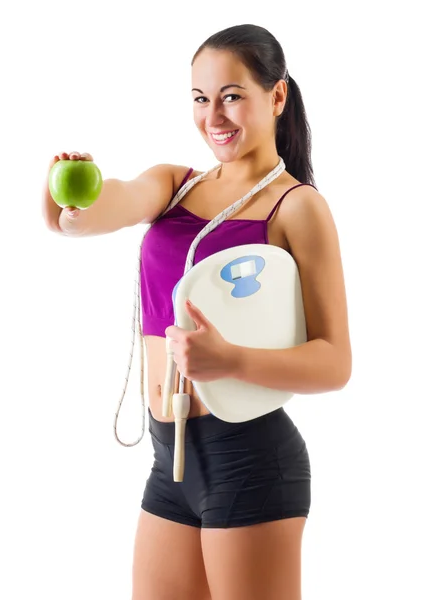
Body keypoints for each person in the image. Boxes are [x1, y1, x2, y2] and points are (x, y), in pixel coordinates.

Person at [42, 23, 352, 600]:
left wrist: (229, 359)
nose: (215, 116)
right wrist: (70, 195)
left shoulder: (297, 207)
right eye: (201, 98)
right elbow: (94, 212)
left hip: (250, 457)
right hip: (171, 460)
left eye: (232, 96)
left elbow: (334, 363)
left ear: (276, 96)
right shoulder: (173, 185)